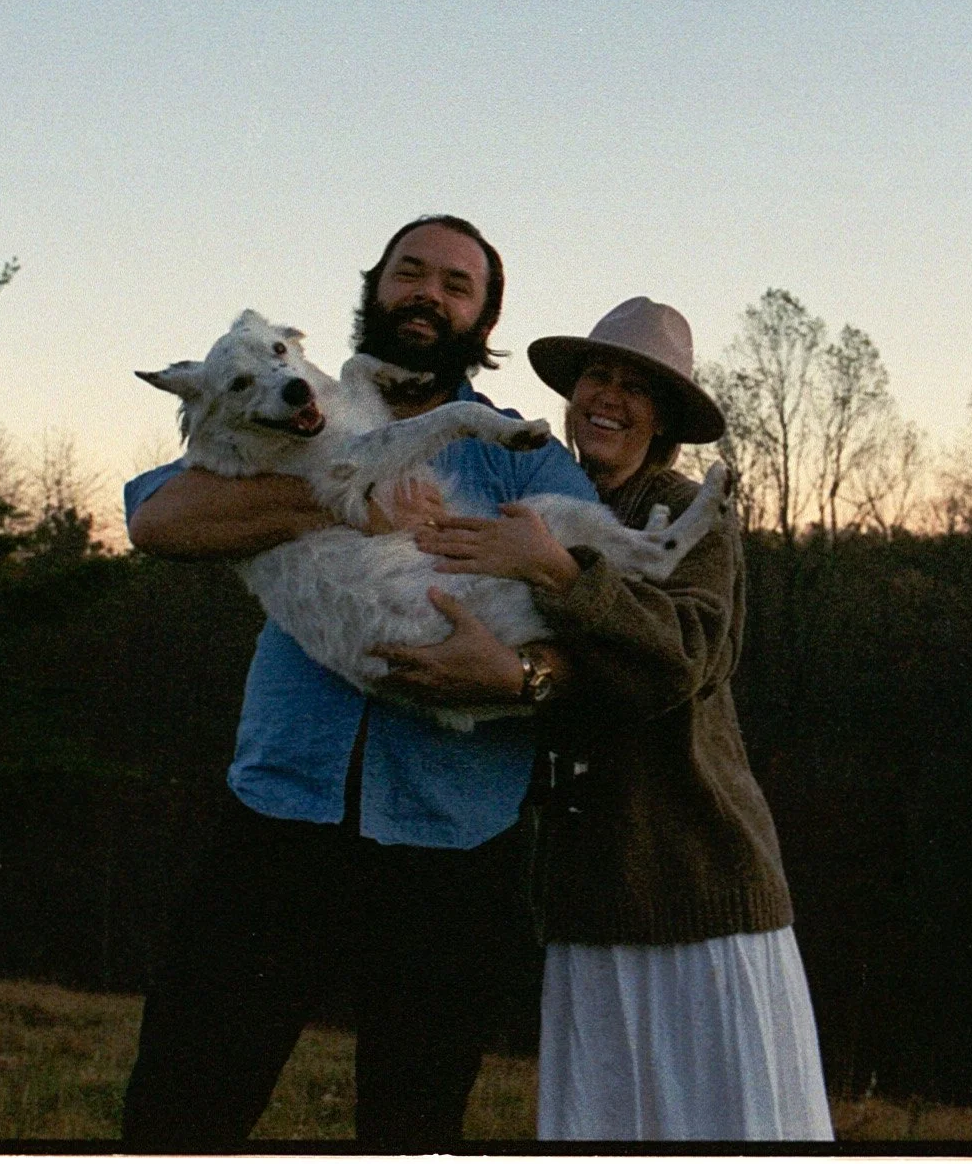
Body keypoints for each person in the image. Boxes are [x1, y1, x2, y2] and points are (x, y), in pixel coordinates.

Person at [116, 215, 600, 1150]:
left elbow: (600, 628)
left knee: (412, 1127)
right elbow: (159, 520)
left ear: (485, 318)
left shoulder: (526, 454)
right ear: (372, 290)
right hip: (278, 818)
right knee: (182, 1109)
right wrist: (337, 490)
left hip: (455, 842)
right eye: (408, 273)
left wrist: (520, 674)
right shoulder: (286, 413)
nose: (428, 294)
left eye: (457, 285)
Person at [372, 295, 835, 1141]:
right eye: (598, 375)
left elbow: (683, 659)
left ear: (664, 418)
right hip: (586, 903)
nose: (609, 397)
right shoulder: (538, 493)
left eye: (636, 386)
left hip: (697, 883)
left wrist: (555, 577)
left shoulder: (693, 517)